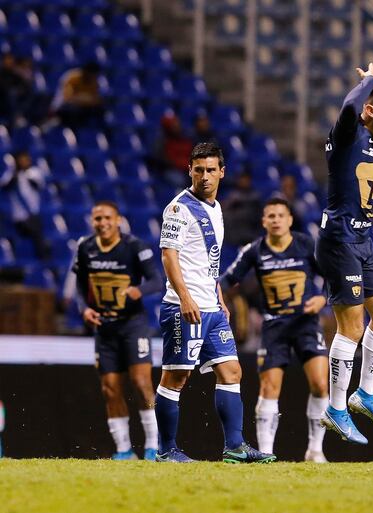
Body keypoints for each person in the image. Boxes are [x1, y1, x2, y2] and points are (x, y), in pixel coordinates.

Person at [155, 142, 275, 463]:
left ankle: (234, 446)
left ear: (222, 172)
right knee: (176, 378)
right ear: (189, 171)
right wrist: (185, 297)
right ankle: (166, 450)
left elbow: (210, 258)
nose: (204, 176)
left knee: (232, 371)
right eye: (198, 170)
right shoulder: (179, 208)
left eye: (210, 170)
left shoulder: (217, 208)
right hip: (185, 308)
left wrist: (218, 293)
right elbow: (169, 256)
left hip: (211, 306)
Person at [314, 63, 373, 444]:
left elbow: (364, 174)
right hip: (338, 242)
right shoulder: (348, 132)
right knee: (350, 327)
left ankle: (364, 394)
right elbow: (350, 108)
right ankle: (335, 409)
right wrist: (367, 81)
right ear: (371, 110)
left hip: (363, 242)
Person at [220, 197, 329, 462]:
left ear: (290, 220)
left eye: (281, 215)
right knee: (269, 388)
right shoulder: (253, 250)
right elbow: (226, 280)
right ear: (263, 221)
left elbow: (332, 274)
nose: (276, 220)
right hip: (273, 326)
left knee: (319, 384)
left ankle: (315, 450)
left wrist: (323, 298)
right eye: (271, 216)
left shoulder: (306, 244)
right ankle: (267, 453)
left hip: (306, 324)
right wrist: (221, 304)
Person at [71, 200, 163, 460]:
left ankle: (154, 446)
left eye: (107, 218)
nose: (103, 223)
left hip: (133, 325)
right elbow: (79, 285)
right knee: (110, 388)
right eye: (98, 219)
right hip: (104, 328)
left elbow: (157, 280)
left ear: (118, 220)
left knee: (142, 382)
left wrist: (139, 290)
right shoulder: (85, 247)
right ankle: (123, 450)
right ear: (92, 221)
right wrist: (84, 309)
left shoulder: (134, 246)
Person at [0, 151, 50, 260]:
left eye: (26, 159)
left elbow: (37, 185)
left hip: (32, 214)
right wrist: (16, 174)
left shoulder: (34, 172)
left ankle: (44, 259)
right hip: (18, 217)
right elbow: (5, 187)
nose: (24, 162)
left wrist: (25, 175)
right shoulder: (11, 174)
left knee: (36, 228)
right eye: (21, 159)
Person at [51, 62, 104, 129]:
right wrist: (85, 99)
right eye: (92, 74)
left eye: (95, 75)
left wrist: (82, 99)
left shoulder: (95, 81)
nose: (93, 77)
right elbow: (68, 98)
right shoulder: (73, 77)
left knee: (99, 111)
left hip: (82, 109)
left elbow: (96, 100)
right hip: (62, 108)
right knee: (72, 110)